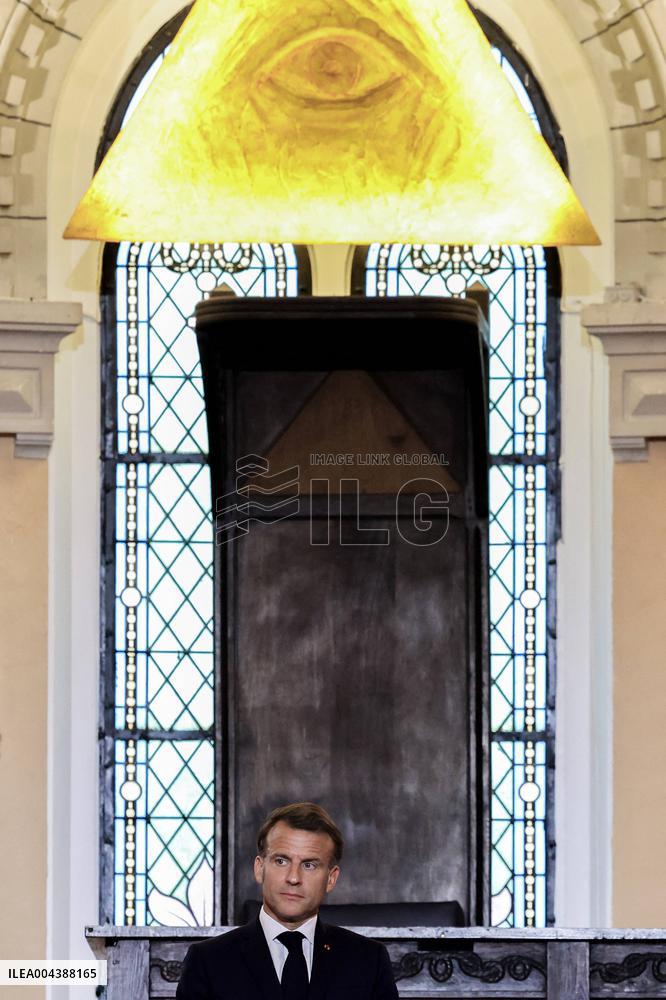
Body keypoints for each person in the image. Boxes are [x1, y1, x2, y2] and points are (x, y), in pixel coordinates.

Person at [176, 801, 399, 999]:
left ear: (331, 879)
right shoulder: (208, 961)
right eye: (281, 861)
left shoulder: (368, 961)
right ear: (259, 868)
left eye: (309, 865)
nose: (293, 878)